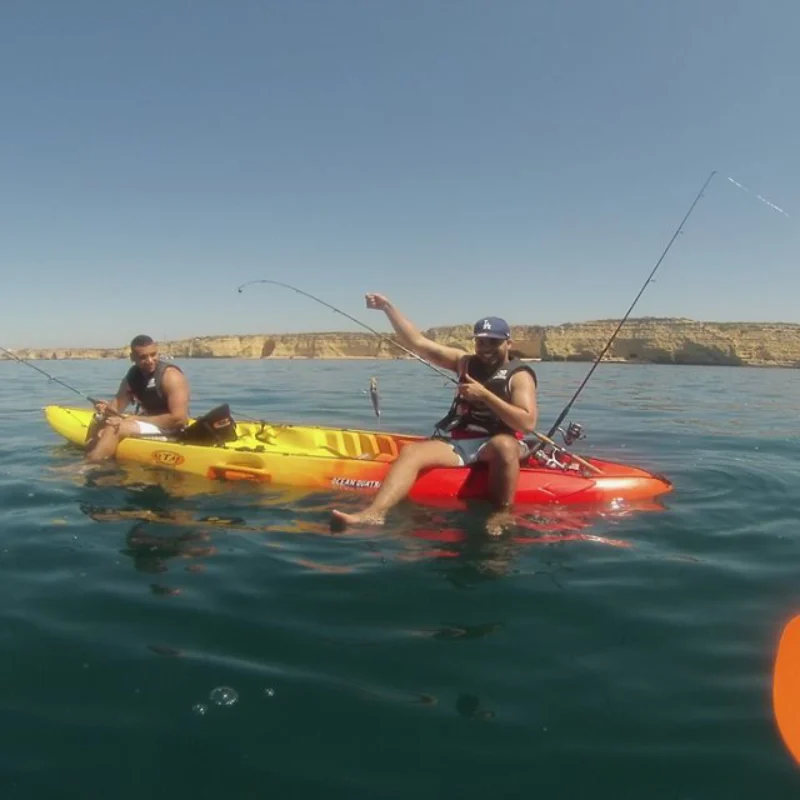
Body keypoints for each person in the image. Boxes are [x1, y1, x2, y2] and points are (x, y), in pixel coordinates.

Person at [330, 294, 538, 534]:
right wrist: (388, 308)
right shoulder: (464, 362)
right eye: (481, 342)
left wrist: (485, 396)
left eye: (494, 342)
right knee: (411, 452)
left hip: (499, 442)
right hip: (462, 441)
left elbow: (527, 422)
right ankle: (374, 514)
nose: (486, 348)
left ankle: (502, 513)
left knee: (505, 446)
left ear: (508, 344)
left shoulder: (519, 375)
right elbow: (418, 342)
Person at [85, 335, 190, 462]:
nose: (150, 360)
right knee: (100, 419)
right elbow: (116, 406)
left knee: (116, 427)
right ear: (132, 357)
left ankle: (89, 466)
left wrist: (135, 419)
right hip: (148, 422)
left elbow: (179, 419)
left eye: (153, 354)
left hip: (172, 430)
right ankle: (92, 453)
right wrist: (105, 409)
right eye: (143, 357)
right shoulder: (133, 376)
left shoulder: (171, 376)